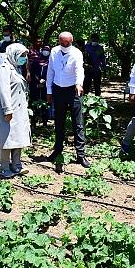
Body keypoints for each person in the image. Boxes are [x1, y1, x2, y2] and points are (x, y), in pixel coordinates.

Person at [46, 32, 89, 168]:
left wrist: (79, 84)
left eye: (68, 43)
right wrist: (49, 90)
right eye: (62, 43)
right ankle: (58, 150)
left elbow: (79, 70)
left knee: (77, 122)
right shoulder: (54, 52)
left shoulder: (76, 53)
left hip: (73, 90)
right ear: (59, 41)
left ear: (71, 41)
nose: (65, 46)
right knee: (59, 121)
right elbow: (50, 71)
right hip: (58, 89)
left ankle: (81, 155)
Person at [0, 43, 32, 178]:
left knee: (18, 137)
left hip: (18, 108)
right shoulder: (4, 69)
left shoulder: (16, 68)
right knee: (6, 138)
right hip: (7, 108)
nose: (24, 58)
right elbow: (3, 91)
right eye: (22, 55)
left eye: (25, 55)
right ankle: (4, 167)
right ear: (14, 54)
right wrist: (7, 110)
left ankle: (17, 165)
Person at [29, 43, 51, 127]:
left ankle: (45, 122)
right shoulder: (36, 60)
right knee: (34, 102)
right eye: (44, 49)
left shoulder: (51, 62)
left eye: (47, 50)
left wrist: (45, 80)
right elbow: (33, 71)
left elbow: (52, 72)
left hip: (46, 86)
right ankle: (34, 122)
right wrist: (38, 80)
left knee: (45, 103)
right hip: (35, 85)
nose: (46, 52)